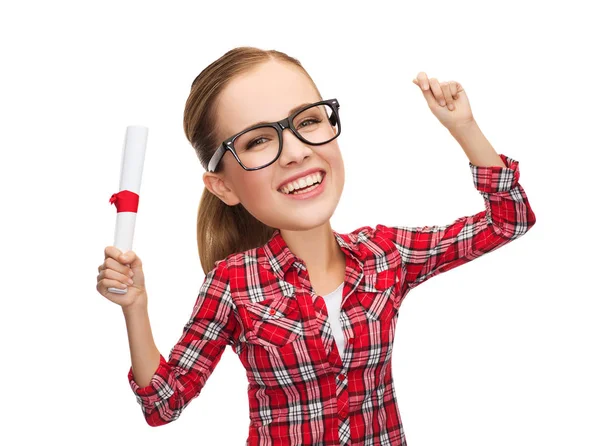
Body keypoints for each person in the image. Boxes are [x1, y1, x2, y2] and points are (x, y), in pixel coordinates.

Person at [96, 46, 537, 445]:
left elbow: (509, 220)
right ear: (223, 186)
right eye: (258, 140)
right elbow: (163, 404)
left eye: (307, 121)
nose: (296, 152)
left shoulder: (385, 255)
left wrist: (464, 128)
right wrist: (135, 307)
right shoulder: (233, 284)